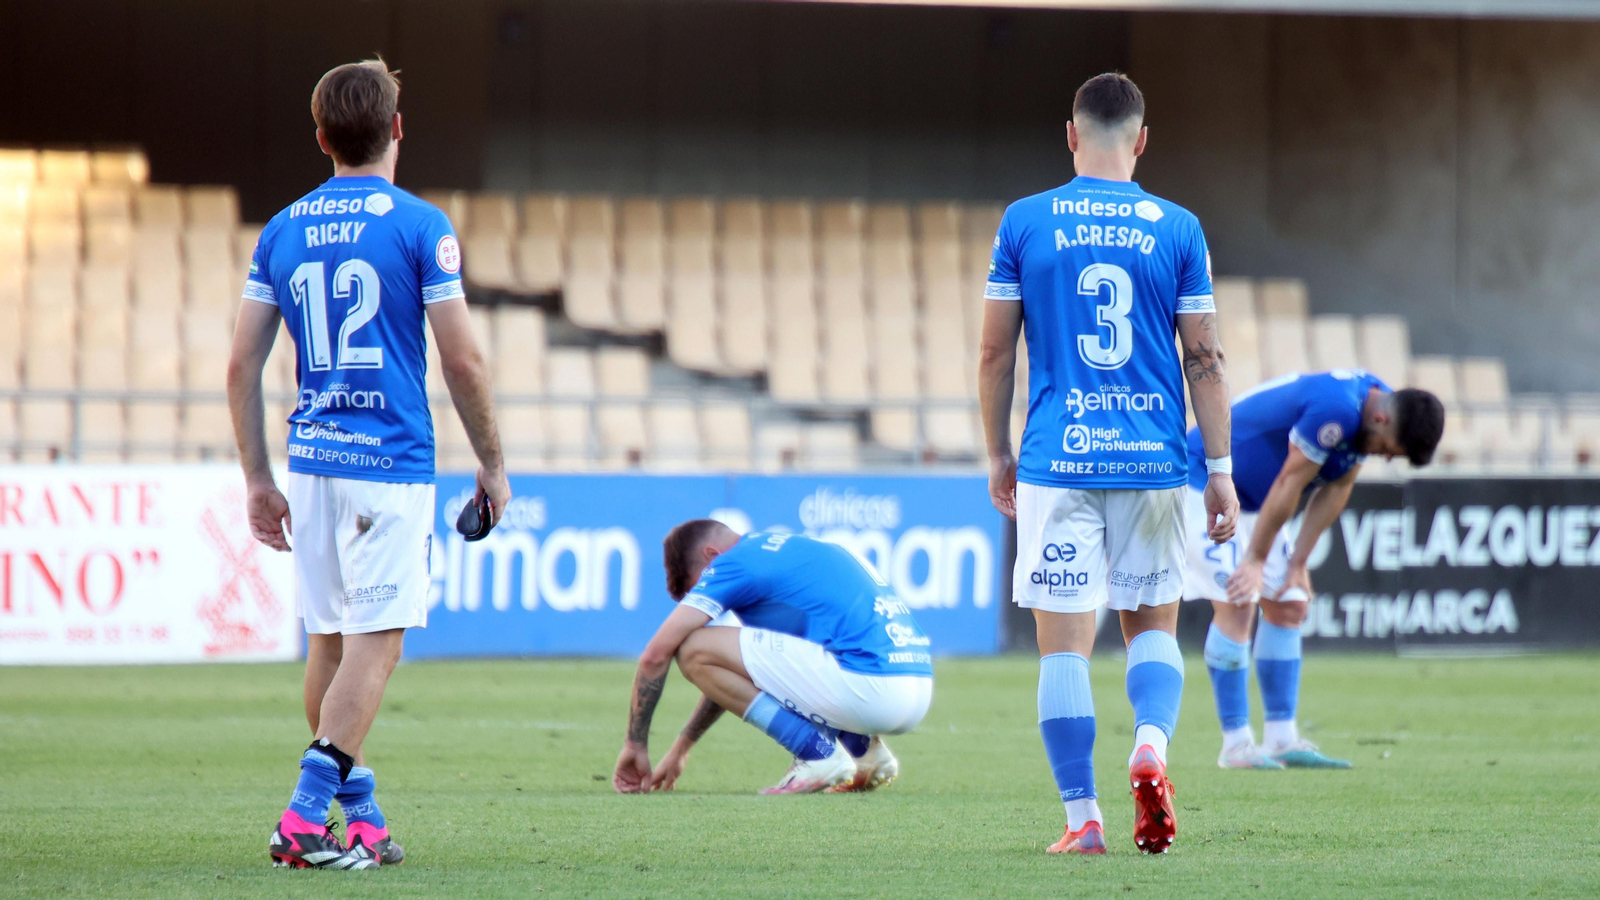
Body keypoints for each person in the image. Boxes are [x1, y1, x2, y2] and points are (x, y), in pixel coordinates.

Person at [226, 58, 510, 870]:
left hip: (312, 460)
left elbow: (242, 363)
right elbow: (463, 363)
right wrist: (492, 464)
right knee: (376, 647)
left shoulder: (281, 228)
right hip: (388, 462)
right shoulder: (422, 225)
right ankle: (306, 819)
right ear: (396, 129)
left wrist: (257, 477)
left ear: (321, 138)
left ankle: (362, 819)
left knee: (330, 643)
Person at [978, 72, 1238, 856]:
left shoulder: (1025, 221)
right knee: (1154, 627)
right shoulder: (1179, 227)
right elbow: (1206, 356)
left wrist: (998, 451)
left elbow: (995, 352)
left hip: (1057, 458)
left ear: (1071, 134)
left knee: (1063, 647)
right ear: (1143, 139)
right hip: (1154, 460)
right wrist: (1219, 466)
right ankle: (1151, 745)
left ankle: (1083, 818)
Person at [1184, 371, 1444, 770]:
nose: (1388, 457)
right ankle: (1235, 745)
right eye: (1390, 449)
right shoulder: (1335, 409)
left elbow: (1337, 488)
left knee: (1290, 601)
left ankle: (1281, 739)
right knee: (1239, 599)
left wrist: (1297, 564)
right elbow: (1290, 482)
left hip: (1254, 502)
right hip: (1203, 482)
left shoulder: (1375, 407)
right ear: (1380, 420)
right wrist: (1253, 561)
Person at [612, 521, 934, 796]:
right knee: (729, 651)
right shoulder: (783, 552)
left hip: (870, 686)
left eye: (698, 589)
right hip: (915, 685)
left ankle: (817, 754)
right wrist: (683, 746)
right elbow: (756, 674)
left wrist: (635, 744)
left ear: (711, 556)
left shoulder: (734, 562)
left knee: (691, 647)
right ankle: (863, 751)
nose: (711, 611)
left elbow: (656, 654)